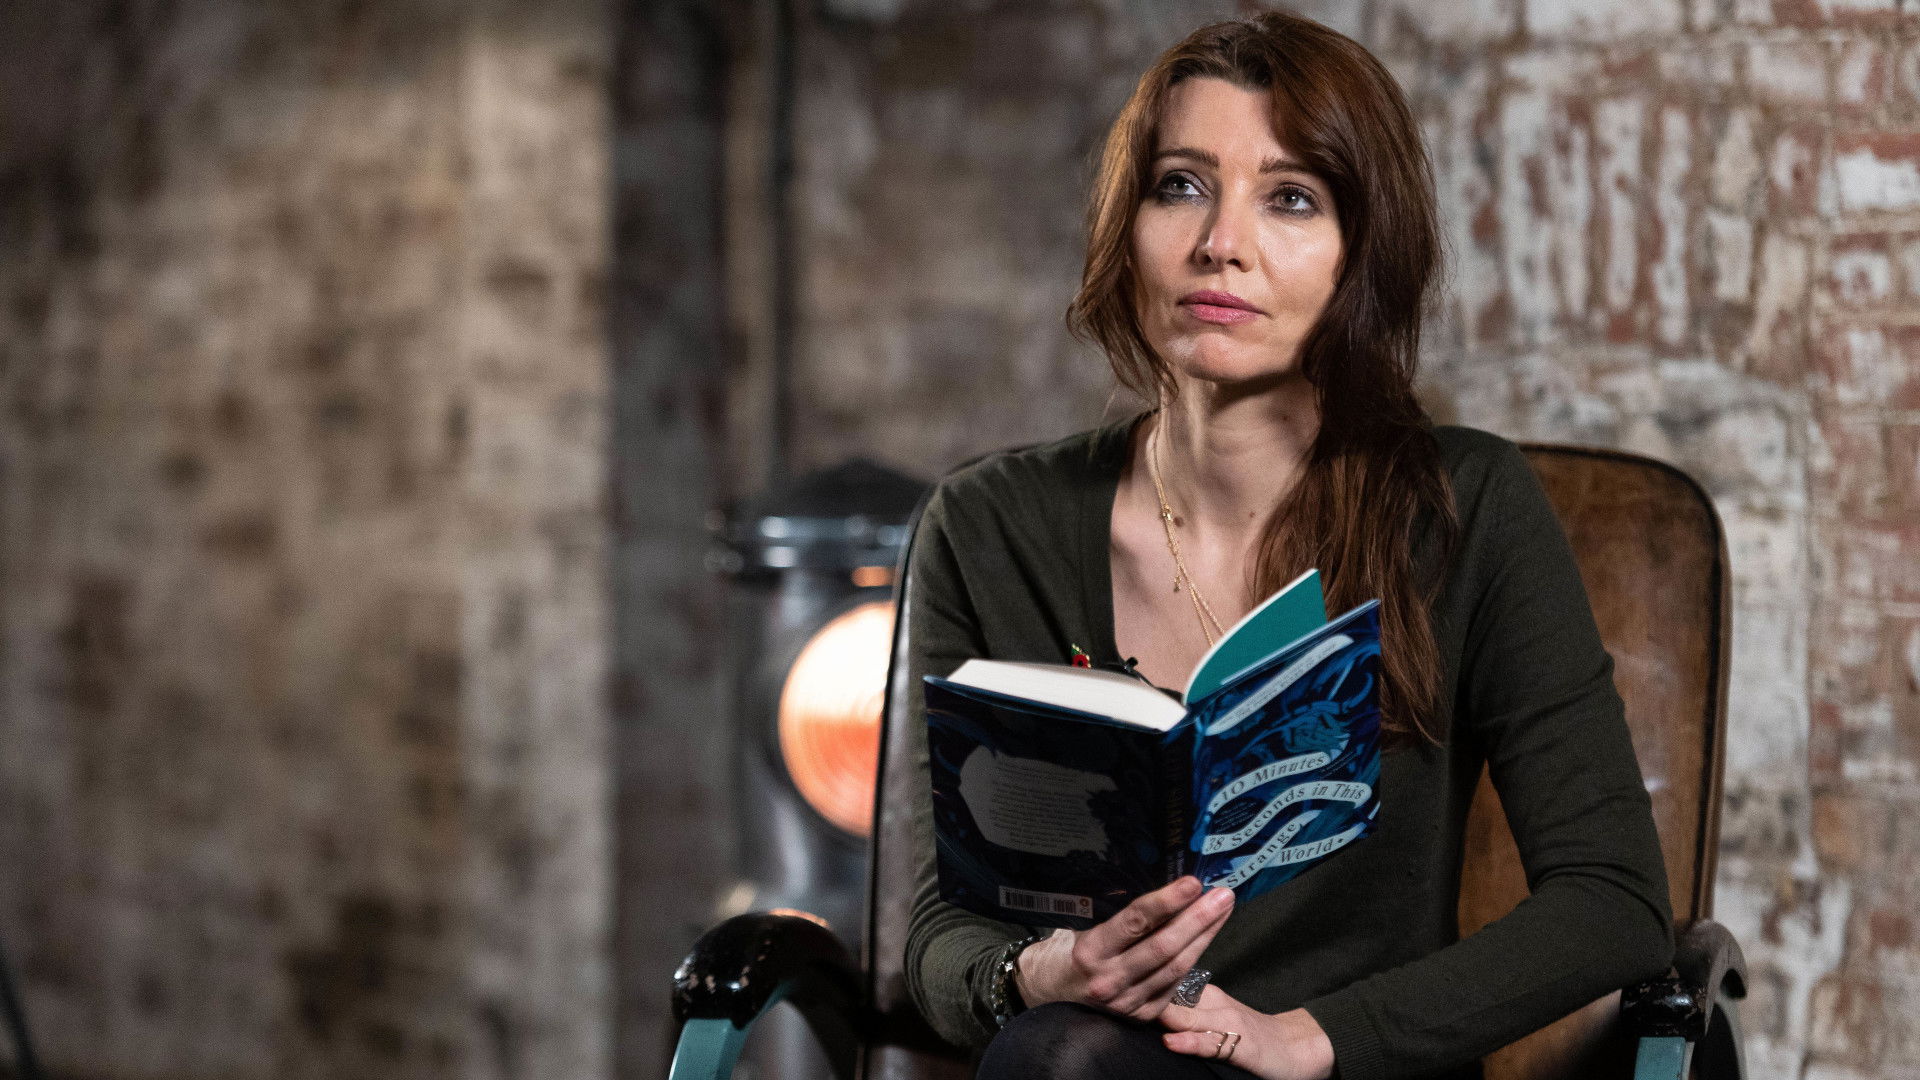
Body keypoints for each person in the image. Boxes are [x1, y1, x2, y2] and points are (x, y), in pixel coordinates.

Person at [898, 11, 1674, 1080]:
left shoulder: (1465, 509)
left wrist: (1312, 1036)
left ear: (1365, 250)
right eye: (1180, 185)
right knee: (1066, 1052)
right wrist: (1038, 971)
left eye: (1291, 198)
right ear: (1128, 224)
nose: (1221, 242)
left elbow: (1614, 901)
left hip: (1348, 1071)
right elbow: (936, 934)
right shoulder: (989, 527)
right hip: (1084, 1059)